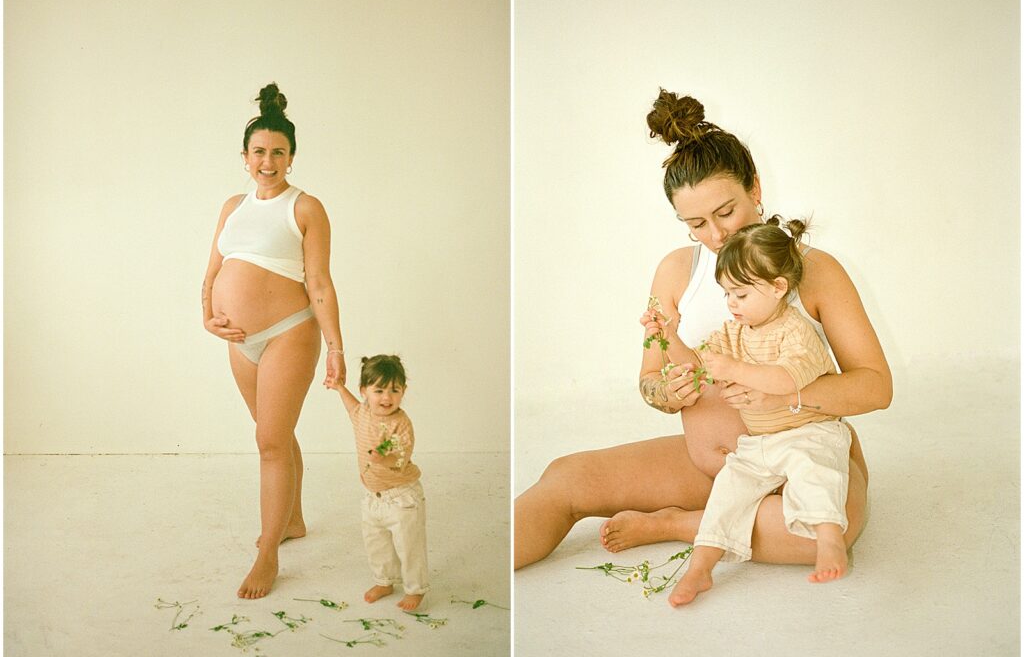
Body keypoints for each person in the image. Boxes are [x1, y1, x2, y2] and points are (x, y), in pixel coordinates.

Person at [513, 89, 891, 574]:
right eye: (695, 223)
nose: (716, 235)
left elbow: (876, 386)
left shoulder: (813, 271)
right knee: (565, 477)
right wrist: (665, 392)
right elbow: (650, 376)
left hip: (805, 460)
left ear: (755, 187)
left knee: (827, 528)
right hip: (718, 468)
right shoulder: (675, 272)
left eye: (726, 211)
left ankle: (679, 524)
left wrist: (784, 400)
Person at [659, 218, 853, 606]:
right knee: (727, 493)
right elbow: (697, 363)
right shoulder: (736, 332)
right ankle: (701, 567)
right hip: (760, 441)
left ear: (778, 288)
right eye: (727, 294)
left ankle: (830, 541)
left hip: (809, 431)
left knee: (813, 471)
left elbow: (786, 380)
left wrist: (733, 370)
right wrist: (668, 336)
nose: (731, 304)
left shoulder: (795, 330)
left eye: (741, 294)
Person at [202, 83, 346, 599]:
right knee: (275, 433)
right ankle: (294, 519)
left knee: (269, 442)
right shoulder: (231, 207)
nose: (268, 160)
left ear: (291, 157)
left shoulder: (306, 207)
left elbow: (321, 284)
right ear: (245, 158)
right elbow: (212, 271)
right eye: (259, 152)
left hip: (290, 333)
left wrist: (335, 348)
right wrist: (208, 317)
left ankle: (268, 553)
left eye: (278, 152)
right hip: (240, 341)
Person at [328, 355, 429, 612]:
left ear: (403, 391)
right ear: (365, 391)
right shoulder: (362, 413)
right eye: (379, 390)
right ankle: (384, 581)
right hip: (372, 496)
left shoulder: (401, 424)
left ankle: (415, 589)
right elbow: (351, 406)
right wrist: (340, 387)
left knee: (409, 546)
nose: (387, 397)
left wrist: (384, 456)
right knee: (377, 542)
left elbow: (399, 453)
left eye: (395, 390)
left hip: (401, 497)